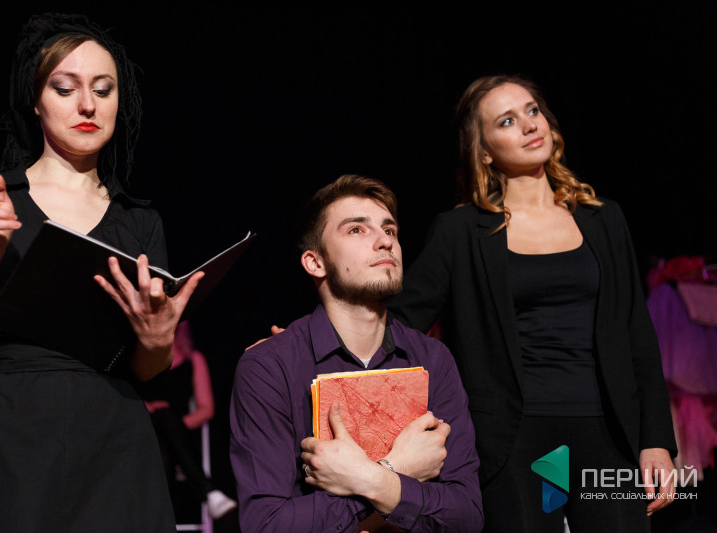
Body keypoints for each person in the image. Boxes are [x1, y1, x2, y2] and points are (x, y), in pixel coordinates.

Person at [0, 13, 202, 532]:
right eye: (65, 88)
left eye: (103, 89)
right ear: (36, 100)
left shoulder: (139, 221)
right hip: (8, 433)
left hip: (113, 437)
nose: (87, 105)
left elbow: (147, 370)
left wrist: (157, 339)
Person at [387, 74, 678, 532]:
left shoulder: (604, 219)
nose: (528, 125)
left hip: (608, 431)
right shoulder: (460, 231)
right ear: (484, 151)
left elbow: (636, 333)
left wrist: (655, 440)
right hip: (512, 440)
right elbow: (401, 321)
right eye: (506, 121)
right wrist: (310, 339)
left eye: (532, 111)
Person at [230, 175, 483, 532]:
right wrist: (394, 471)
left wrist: (366, 478)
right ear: (315, 262)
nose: (385, 241)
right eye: (356, 230)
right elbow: (267, 525)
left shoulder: (433, 359)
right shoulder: (270, 366)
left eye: (390, 230)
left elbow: (466, 515)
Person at [139, 321, 237, 520]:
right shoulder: (141, 359)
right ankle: (208, 492)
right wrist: (147, 410)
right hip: (144, 431)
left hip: (179, 434)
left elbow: (206, 409)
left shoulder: (193, 360)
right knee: (162, 418)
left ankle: (157, 517)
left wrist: (173, 426)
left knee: (166, 427)